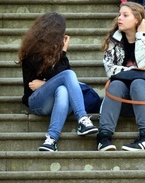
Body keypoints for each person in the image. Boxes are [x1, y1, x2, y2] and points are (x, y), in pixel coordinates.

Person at [17, 12, 98, 152]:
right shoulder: (33, 52)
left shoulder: (54, 51)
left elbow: (62, 78)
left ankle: (51, 139)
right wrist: (64, 52)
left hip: (57, 99)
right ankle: (83, 118)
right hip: (37, 101)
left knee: (63, 89)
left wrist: (44, 84)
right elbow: (60, 74)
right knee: (68, 76)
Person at [97, 1, 145, 152]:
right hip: (122, 101)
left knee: (138, 82)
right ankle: (104, 137)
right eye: (119, 15)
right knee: (115, 84)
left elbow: (144, 62)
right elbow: (110, 70)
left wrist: (142, 35)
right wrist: (141, 69)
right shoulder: (113, 41)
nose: (119, 18)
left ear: (137, 19)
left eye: (125, 15)